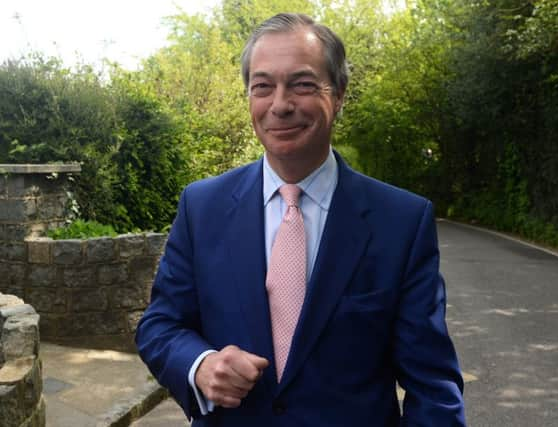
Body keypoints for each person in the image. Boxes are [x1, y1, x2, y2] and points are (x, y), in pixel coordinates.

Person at [136, 12, 466, 427]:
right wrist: (199, 364)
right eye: (263, 87)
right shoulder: (201, 207)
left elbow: (433, 387)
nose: (280, 105)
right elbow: (161, 325)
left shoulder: (401, 221)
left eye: (303, 84)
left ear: (340, 94)